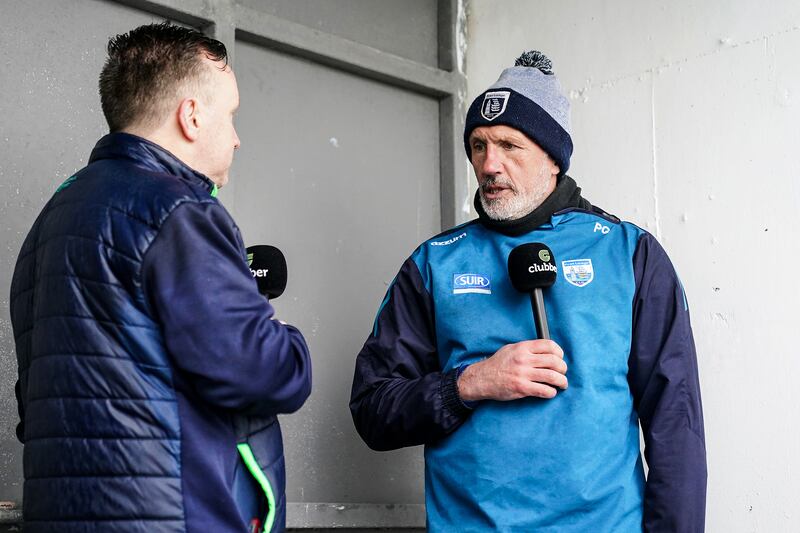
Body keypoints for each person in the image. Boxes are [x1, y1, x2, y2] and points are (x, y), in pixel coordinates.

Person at [350, 51, 706, 532]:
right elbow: (373, 410)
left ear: (553, 157)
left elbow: (676, 425)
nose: (488, 164)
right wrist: (470, 384)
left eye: (508, 145)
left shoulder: (630, 254)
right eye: (478, 145)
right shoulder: (434, 263)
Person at [9, 22, 311, 533]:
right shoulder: (180, 212)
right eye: (231, 116)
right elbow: (263, 370)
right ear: (191, 116)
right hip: (174, 517)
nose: (236, 140)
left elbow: (33, 405)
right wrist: (288, 340)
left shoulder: (48, 223)